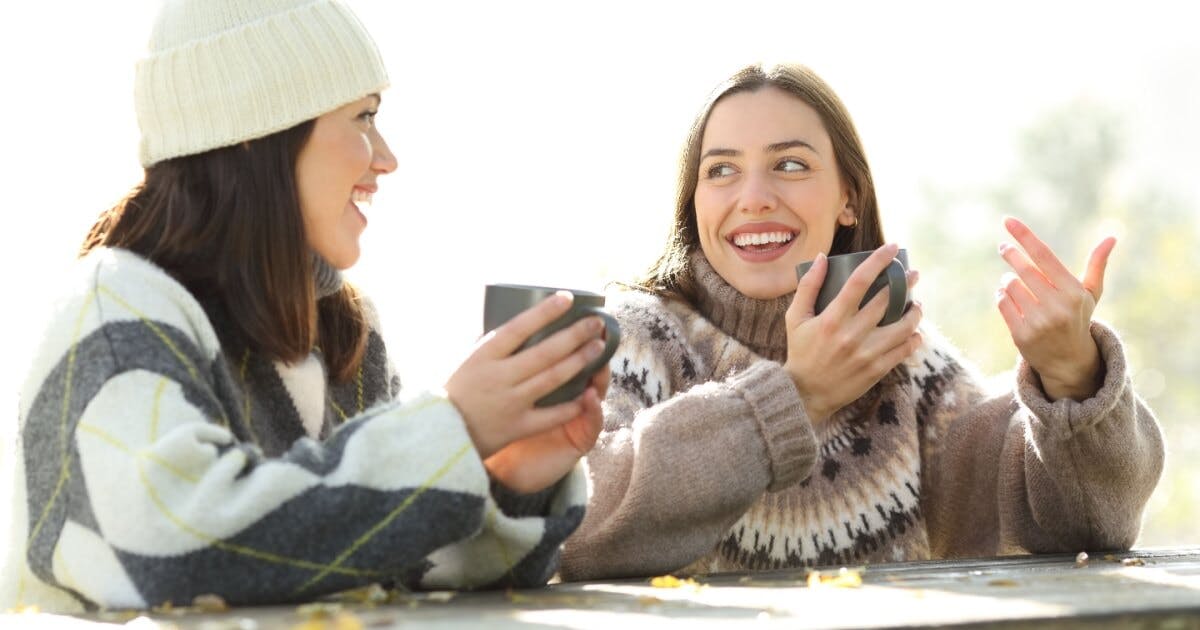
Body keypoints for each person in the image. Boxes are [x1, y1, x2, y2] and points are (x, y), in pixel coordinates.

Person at [3, 0, 609, 613]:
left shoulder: (345, 332)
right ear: (255, 130)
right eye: (363, 117)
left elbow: (384, 557)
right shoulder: (114, 312)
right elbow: (175, 550)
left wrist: (509, 477)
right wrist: (454, 427)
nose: (386, 157)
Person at [560, 63, 1164, 580]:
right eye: (721, 170)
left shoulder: (902, 361)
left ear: (849, 196)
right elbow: (576, 524)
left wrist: (1072, 377)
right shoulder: (636, 336)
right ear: (694, 200)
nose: (753, 197)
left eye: (790, 165)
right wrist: (796, 396)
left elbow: (1085, 526)